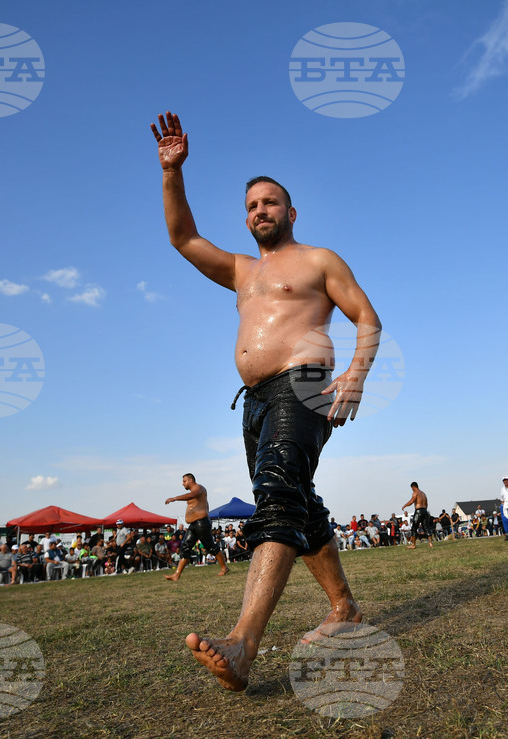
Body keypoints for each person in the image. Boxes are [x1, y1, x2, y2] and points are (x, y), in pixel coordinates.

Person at [151, 111, 380, 690]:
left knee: (276, 494)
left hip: (304, 383)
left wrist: (355, 373)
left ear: (290, 211)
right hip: (254, 398)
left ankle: (243, 644)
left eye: (270, 202)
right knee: (297, 496)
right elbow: (182, 238)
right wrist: (172, 172)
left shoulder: (319, 260)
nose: (260, 211)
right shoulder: (240, 271)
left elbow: (366, 317)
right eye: (252, 205)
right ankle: (344, 608)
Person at [164, 473, 230, 579]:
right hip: (193, 525)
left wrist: (175, 498)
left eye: (184, 481)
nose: (183, 484)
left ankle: (224, 567)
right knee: (185, 548)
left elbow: (192, 495)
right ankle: (176, 574)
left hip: (201, 523)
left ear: (191, 480)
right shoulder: (194, 492)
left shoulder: (199, 488)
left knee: (210, 546)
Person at [402, 483, 434, 549]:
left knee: (414, 528)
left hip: (418, 511)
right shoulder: (423, 493)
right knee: (426, 528)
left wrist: (404, 505)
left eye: (412, 488)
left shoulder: (415, 492)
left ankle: (413, 545)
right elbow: (426, 503)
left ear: (413, 487)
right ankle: (430, 543)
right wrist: (424, 510)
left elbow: (411, 501)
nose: (412, 490)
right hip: (425, 511)